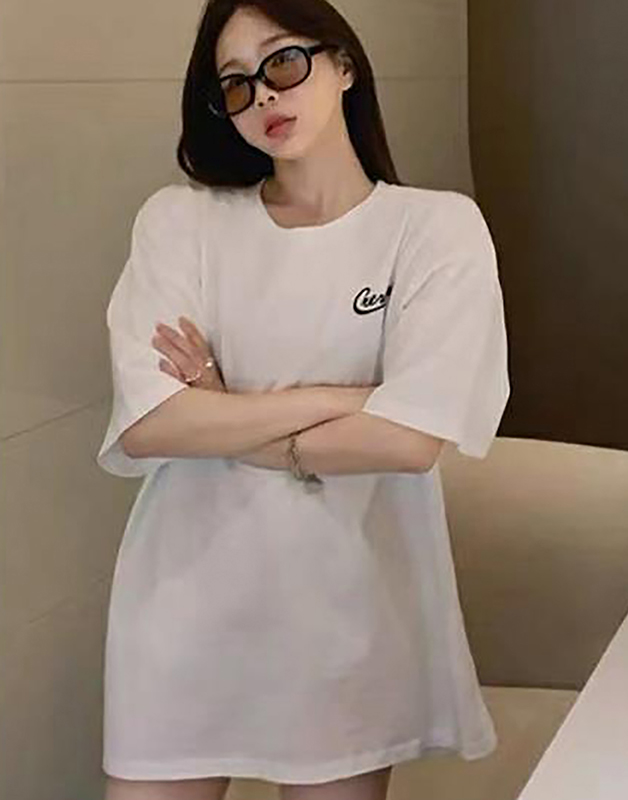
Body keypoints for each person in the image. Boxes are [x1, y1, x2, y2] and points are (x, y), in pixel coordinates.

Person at [97, 0, 510, 798]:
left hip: (347, 606)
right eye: (235, 84)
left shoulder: (434, 228)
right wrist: (352, 398)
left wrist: (223, 410)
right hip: (181, 602)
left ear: (344, 63)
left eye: (282, 62)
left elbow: (408, 442)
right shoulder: (180, 221)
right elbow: (151, 424)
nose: (263, 96)